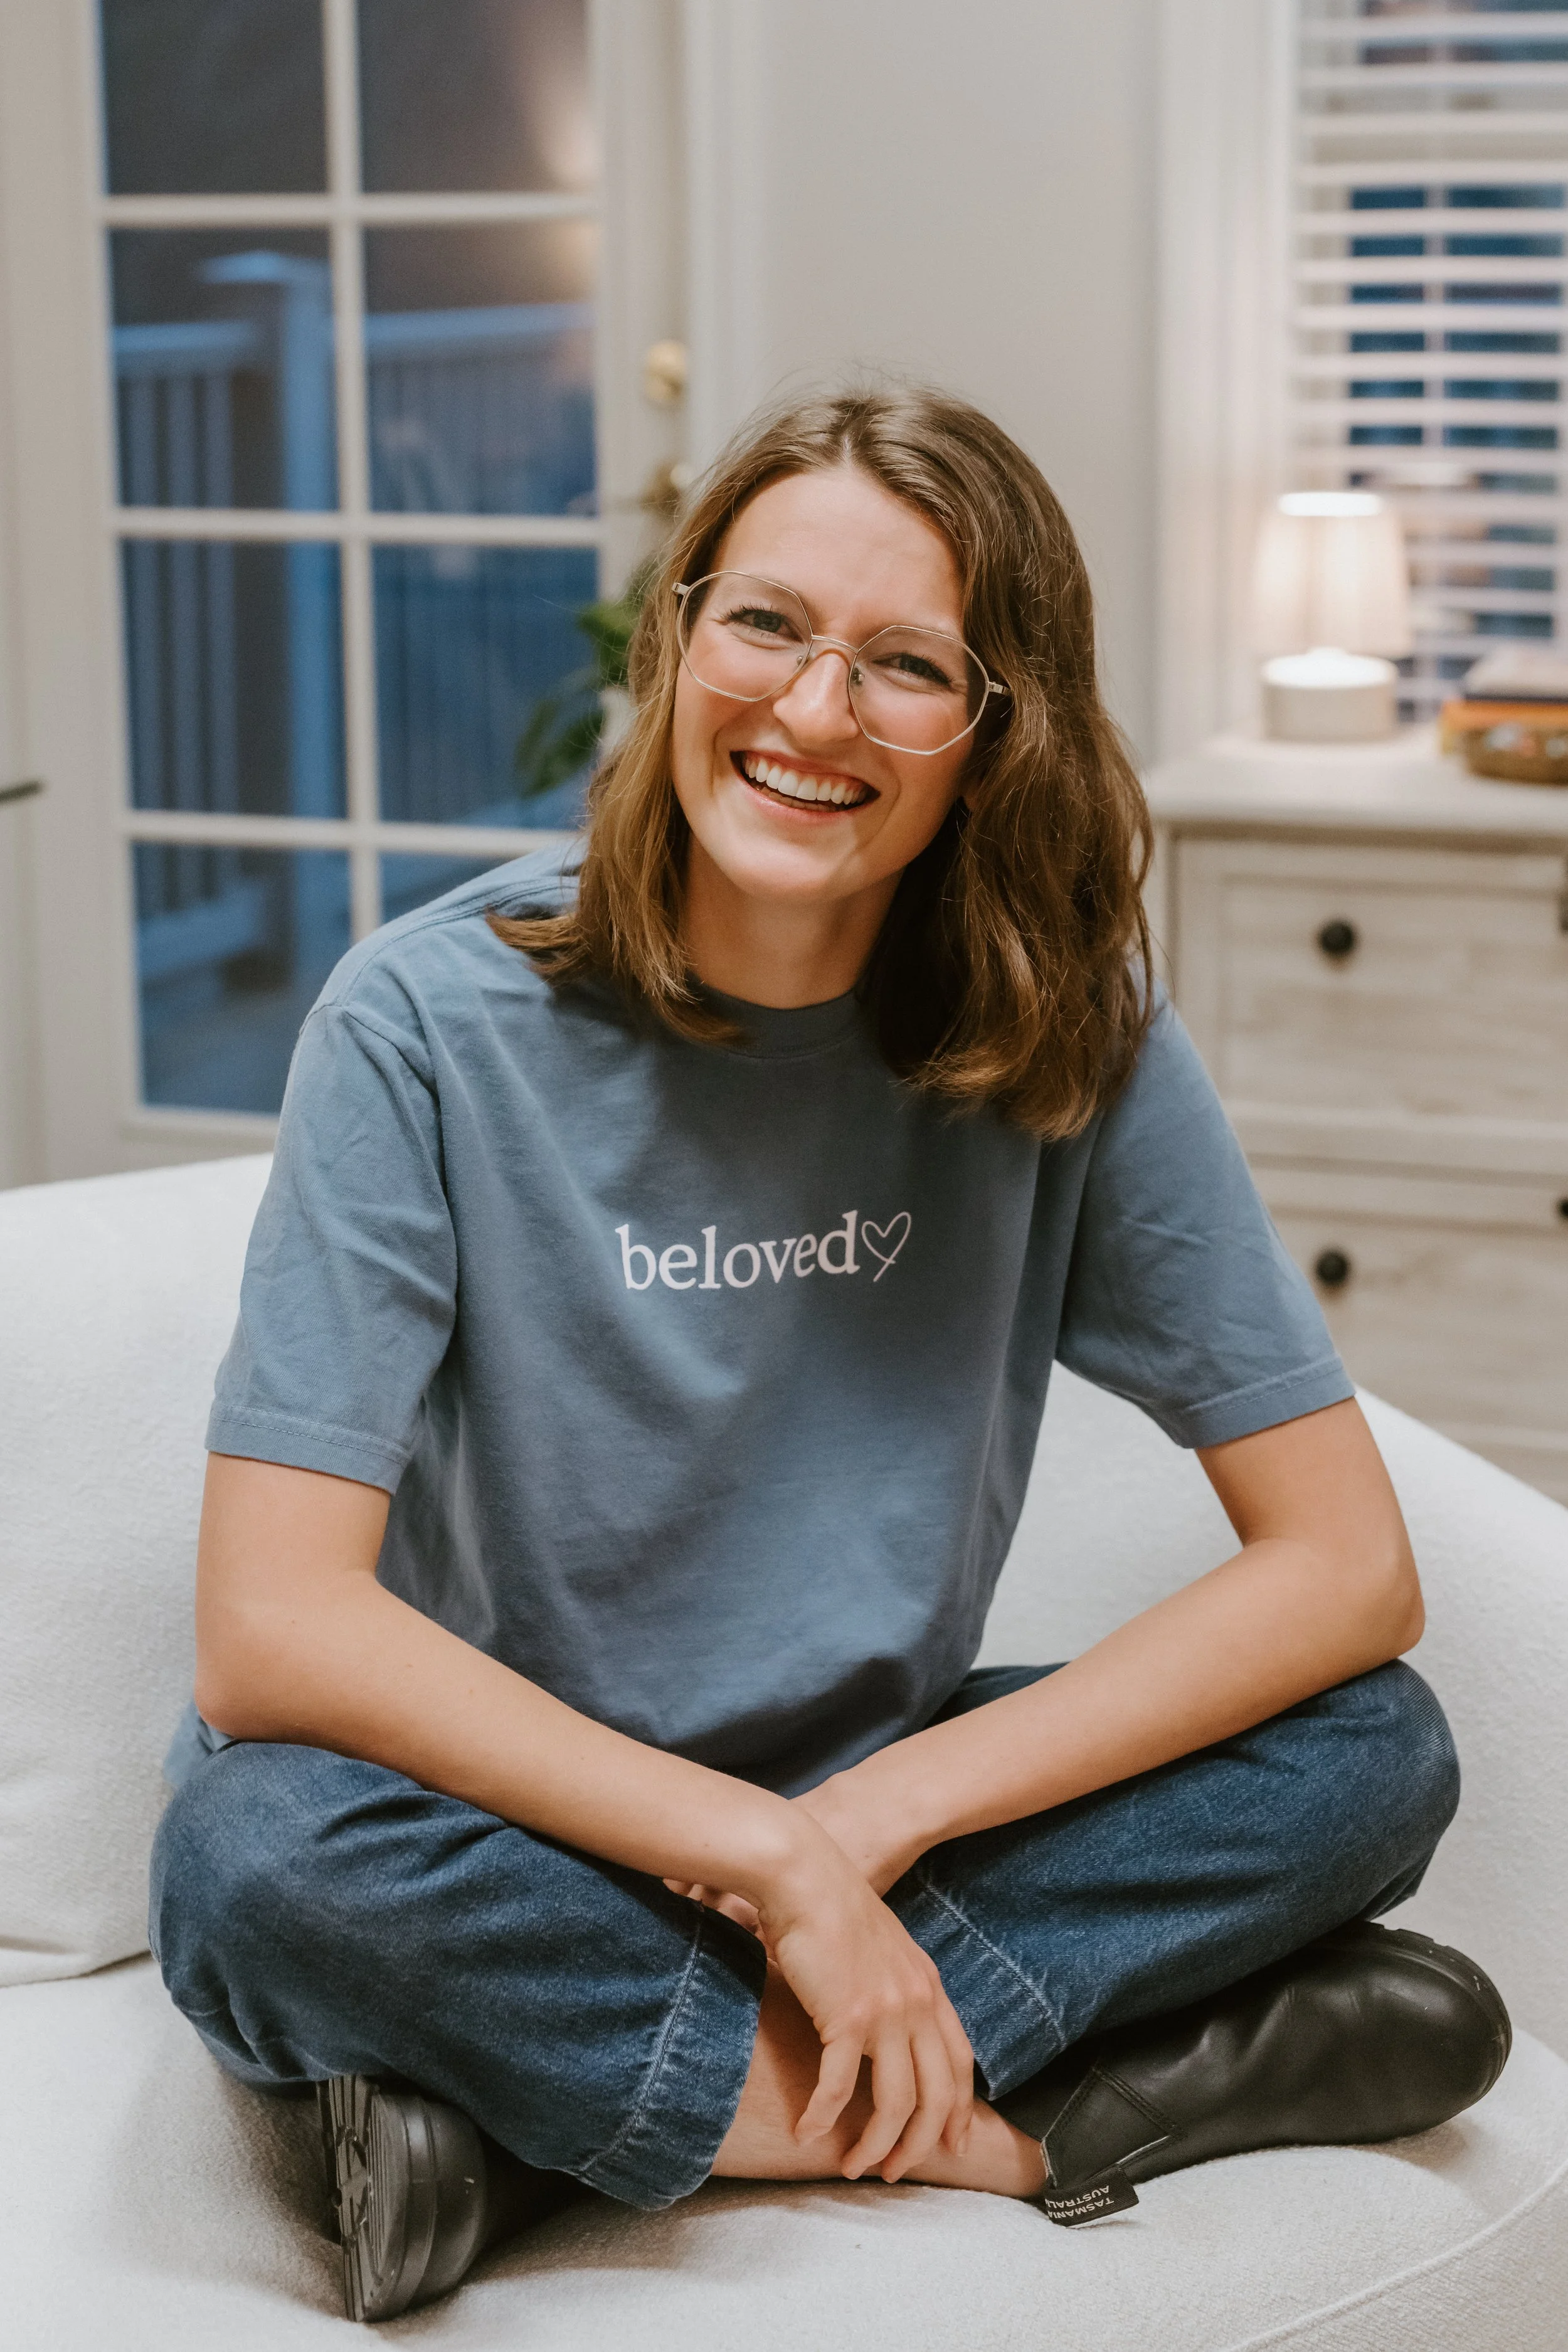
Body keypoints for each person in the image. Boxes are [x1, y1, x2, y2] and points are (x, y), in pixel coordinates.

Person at [151, 387, 1507, 2324]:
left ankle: (528, 2124)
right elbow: (270, 1631)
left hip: (872, 1799)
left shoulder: (1072, 1029)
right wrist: (769, 1870)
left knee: (1370, 1748)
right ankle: (1021, 2127)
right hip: (518, 1824)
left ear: (995, 730)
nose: (810, 708)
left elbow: (1345, 1567)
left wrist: (849, 1832)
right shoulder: (423, 1022)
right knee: (253, 1852)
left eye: (905, 664)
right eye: (766, 623)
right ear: (678, 636)